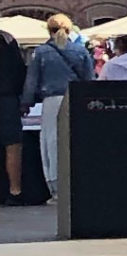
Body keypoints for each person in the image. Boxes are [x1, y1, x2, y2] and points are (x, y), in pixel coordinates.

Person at [26, 15, 94, 197]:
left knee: (50, 142)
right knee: (75, 141)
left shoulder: (41, 52)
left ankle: (55, 187)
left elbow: (31, 81)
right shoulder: (81, 51)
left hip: (51, 100)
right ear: (70, 29)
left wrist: (26, 102)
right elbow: (89, 80)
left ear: (49, 30)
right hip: (76, 100)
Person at [0, 24, 25, 205]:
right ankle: (15, 190)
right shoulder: (7, 39)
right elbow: (20, 70)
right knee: (13, 145)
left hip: (8, 94)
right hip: (7, 97)